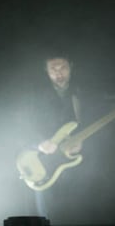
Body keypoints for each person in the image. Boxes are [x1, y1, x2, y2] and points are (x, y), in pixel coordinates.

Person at [18, 52, 115, 224]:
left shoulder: (83, 92)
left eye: (62, 67)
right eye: (53, 69)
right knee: (51, 216)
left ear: (71, 67)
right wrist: (40, 144)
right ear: (46, 72)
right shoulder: (36, 96)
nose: (58, 73)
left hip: (79, 169)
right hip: (46, 167)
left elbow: (95, 128)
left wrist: (82, 143)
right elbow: (24, 126)